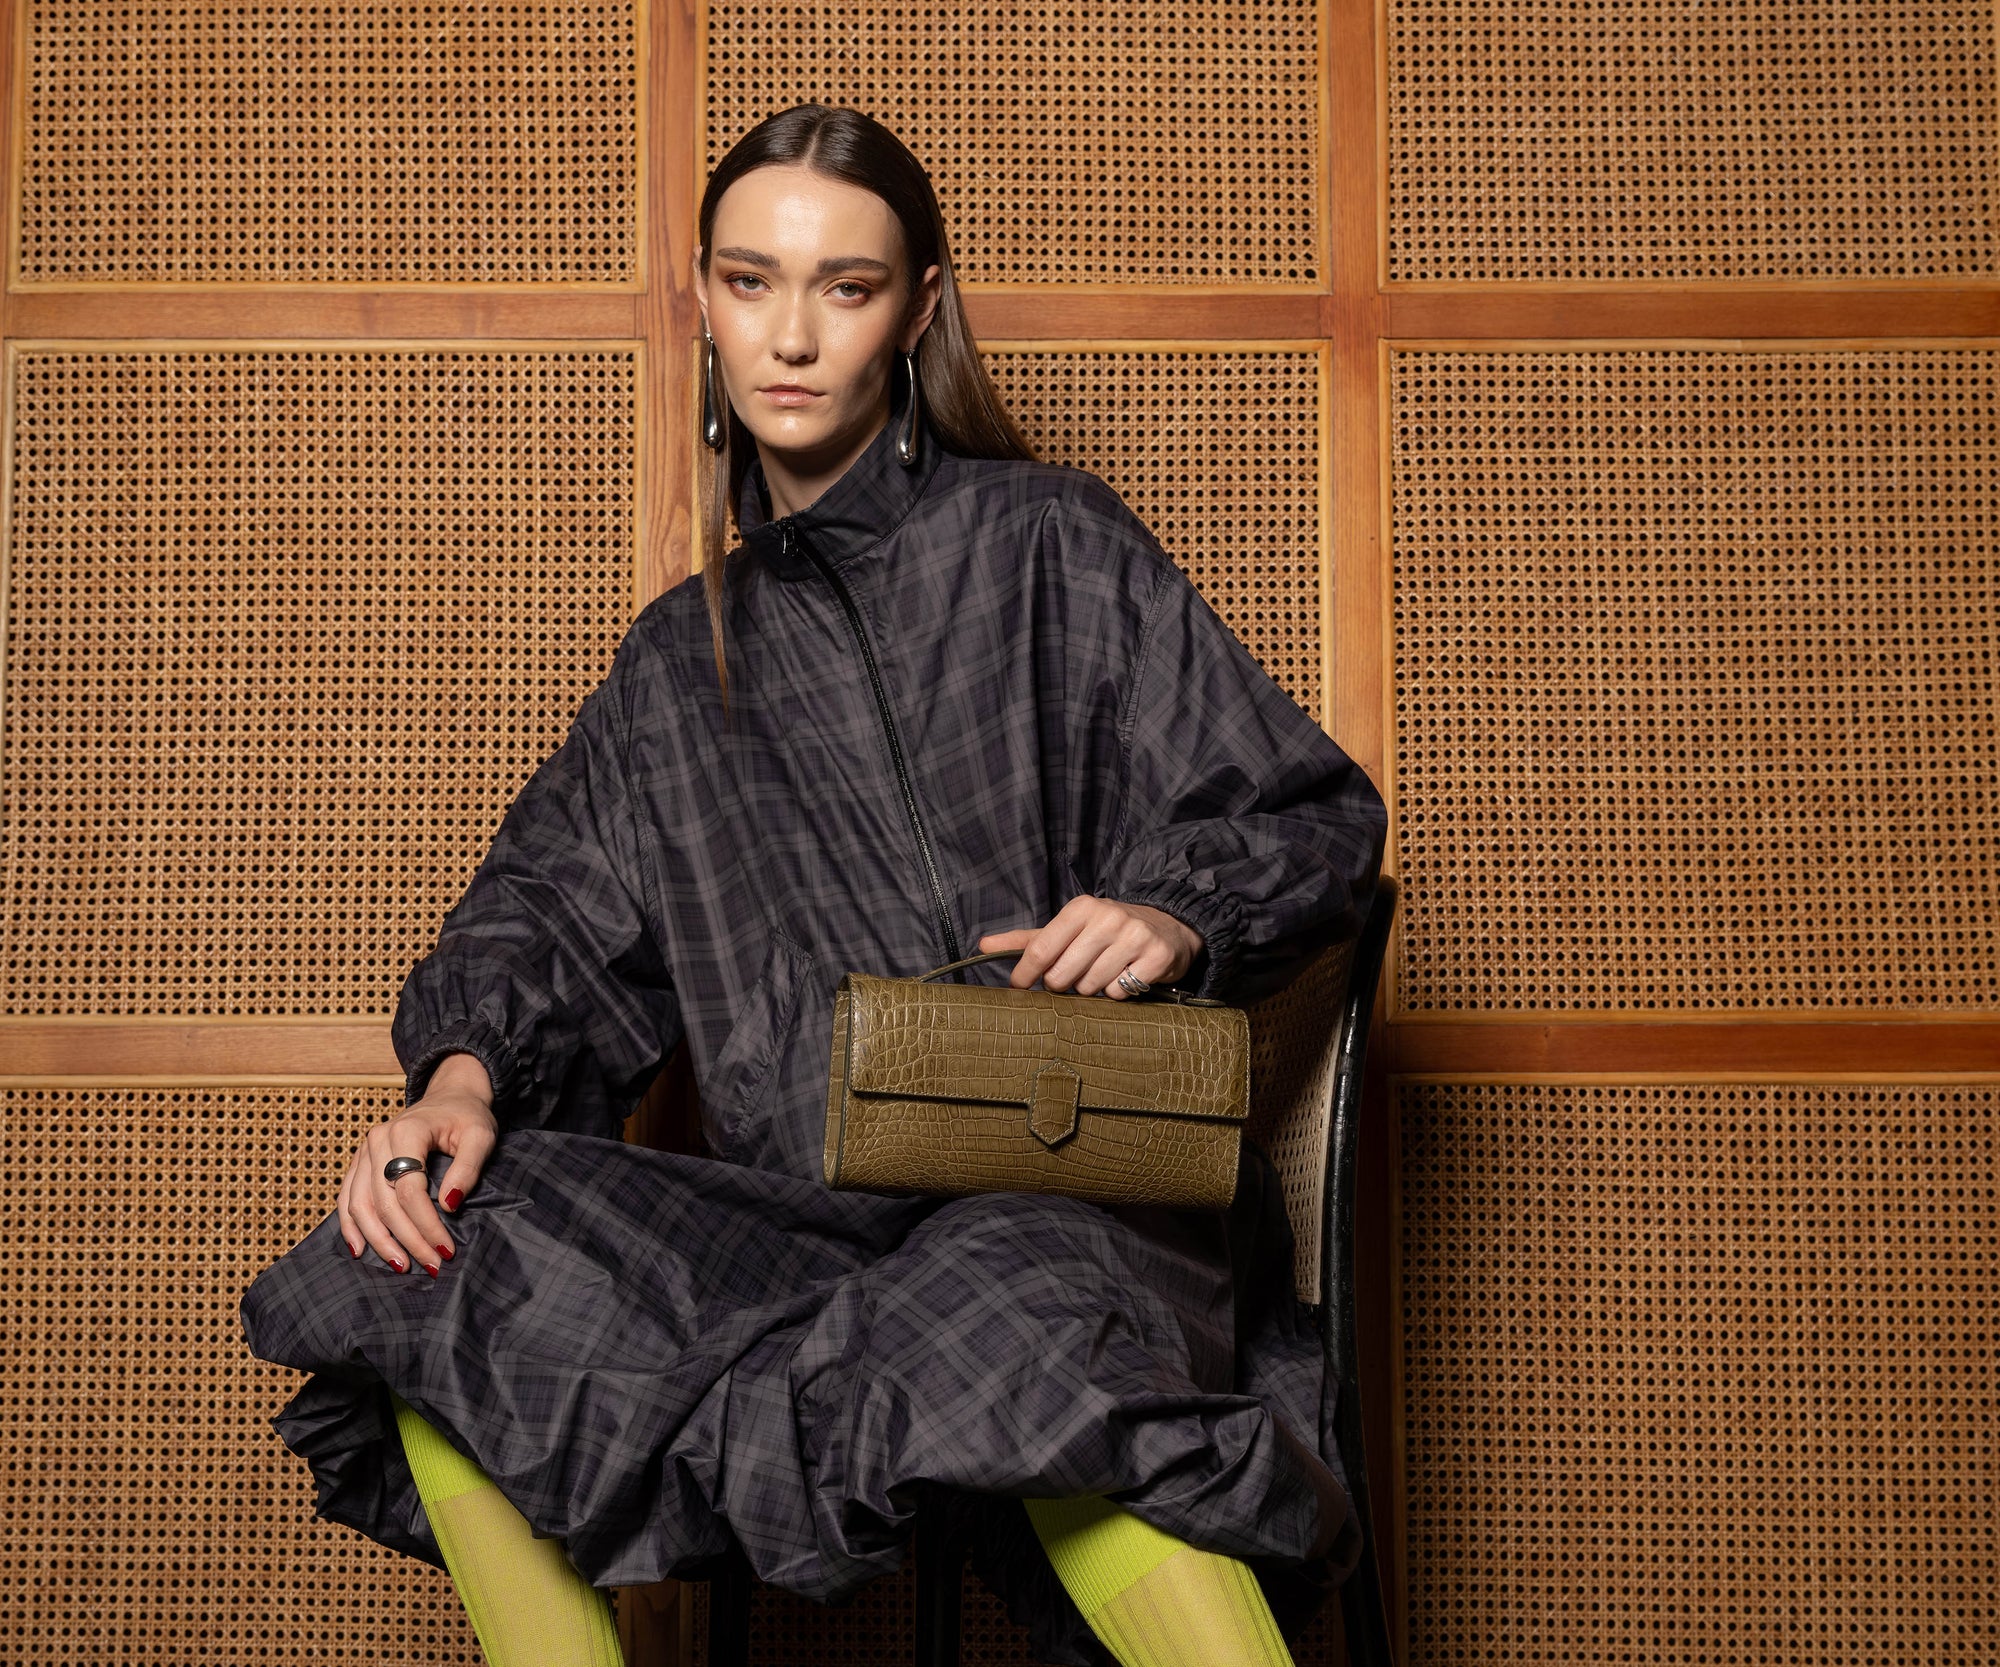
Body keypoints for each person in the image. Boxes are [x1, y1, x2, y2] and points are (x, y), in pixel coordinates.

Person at [239, 102, 1386, 1667]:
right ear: (701, 303)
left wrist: (1176, 907)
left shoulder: (1051, 545)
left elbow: (1310, 813)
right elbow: (546, 915)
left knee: (1012, 1309)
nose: (791, 334)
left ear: (916, 311)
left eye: (845, 288)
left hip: (1073, 1197)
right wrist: (456, 1081)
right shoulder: (670, 669)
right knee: (438, 1245)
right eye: (749, 281)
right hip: (809, 1222)